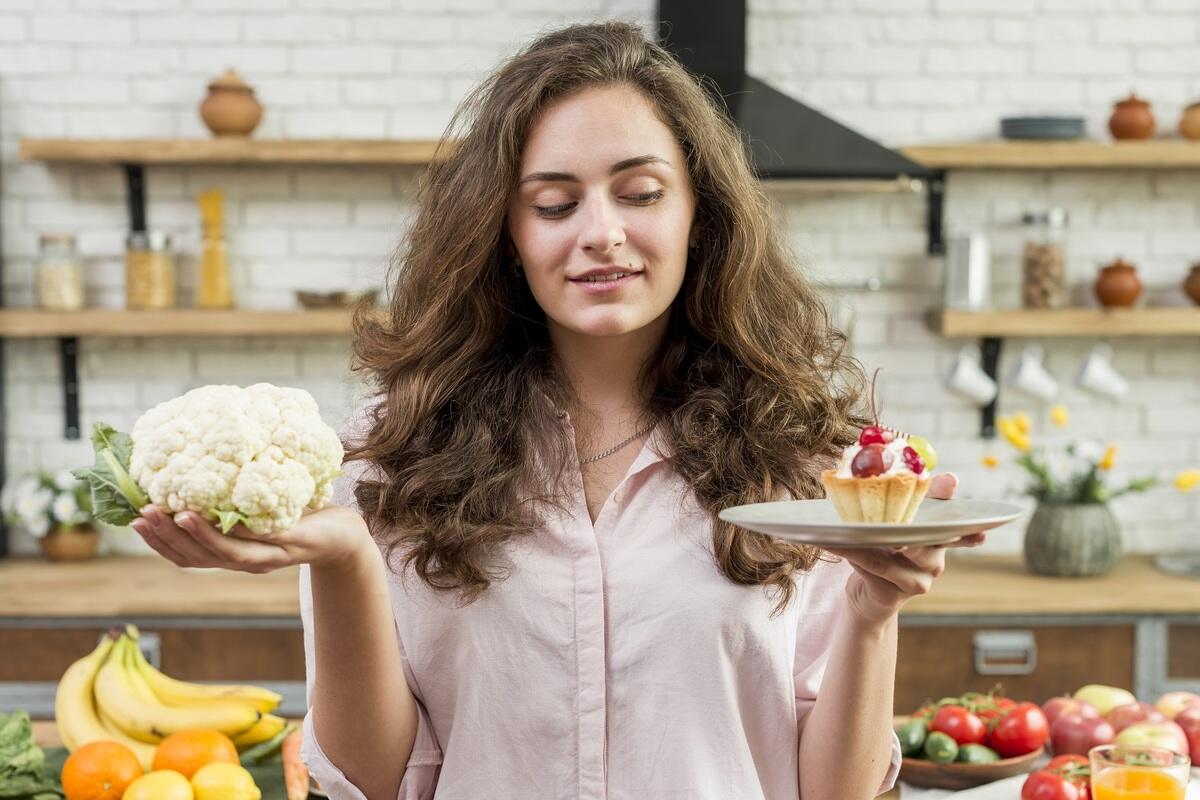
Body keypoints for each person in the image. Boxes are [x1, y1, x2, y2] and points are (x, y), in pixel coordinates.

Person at [130, 21, 984, 800]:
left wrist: (874, 611)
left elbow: (835, 792)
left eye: (641, 193)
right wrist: (347, 561)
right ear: (506, 232)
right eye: (554, 202)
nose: (601, 232)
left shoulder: (803, 466)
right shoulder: (389, 453)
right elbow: (373, 784)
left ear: (701, 215)